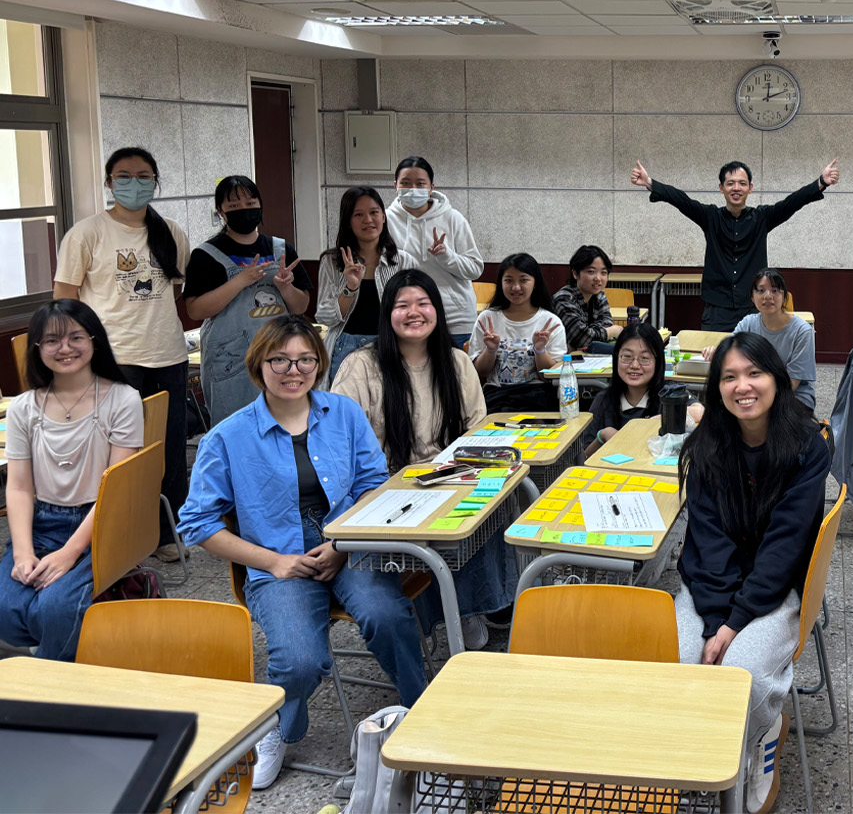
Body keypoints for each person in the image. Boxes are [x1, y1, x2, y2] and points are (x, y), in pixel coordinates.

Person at [177, 314, 426, 789]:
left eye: (306, 360)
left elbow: (374, 484)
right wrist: (274, 562)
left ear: (319, 363)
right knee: (299, 660)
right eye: (280, 360)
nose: (294, 371)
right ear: (258, 364)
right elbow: (197, 524)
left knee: (387, 615)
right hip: (277, 558)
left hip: (348, 543)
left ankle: (421, 707)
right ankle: (275, 727)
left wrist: (341, 545)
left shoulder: (343, 413)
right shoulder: (227, 437)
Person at [675, 333, 831, 814]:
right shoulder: (706, 445)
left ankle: (763, 733)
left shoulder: (807, 446)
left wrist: (734, 625)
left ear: (776, 380)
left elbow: (784, 547)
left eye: (754, 373)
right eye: (729, 377)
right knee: (679, 665)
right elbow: (709, 543)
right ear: (716, 388)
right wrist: (715, 622)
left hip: (775, 586)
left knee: (745, 675)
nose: (742, 386)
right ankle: (705, 749)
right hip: (710, 583)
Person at [332, 269, 507, 651]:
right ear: (387, 314)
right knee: (424, 530)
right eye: (402, 305)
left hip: (450, 478)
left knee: (498, 504)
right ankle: (434, 615)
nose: (414, 312)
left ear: (437, 311)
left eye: (423, 303)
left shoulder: (456, 362)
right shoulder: (361, 366)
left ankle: (467, 606)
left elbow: (477, 433)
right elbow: (339, 443)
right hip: (385, 490)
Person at [53, 146, 190, 563]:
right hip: (113, 359)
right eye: (124, 176)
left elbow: (174, 291)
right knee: (113, 453)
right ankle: (113, 535)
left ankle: (165, 534)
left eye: (144, 176)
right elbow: (65, 299)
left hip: (167, 354)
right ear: (109, 183)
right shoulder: (86, 233)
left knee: (168, 450)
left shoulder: (171, 231)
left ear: (156, 181)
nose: (134, 183)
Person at [0, 301, 143, 660]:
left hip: (102, 522)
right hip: (43, 522)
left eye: (76, 337)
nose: (65, 348)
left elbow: (114, 492)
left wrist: (69, 553)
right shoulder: (23, 407)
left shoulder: (122, 399)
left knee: (55, 610)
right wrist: (23, 553)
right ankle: (65, 645)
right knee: (6, 608)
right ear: (37, 348)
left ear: (94, 340)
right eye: (52, 340)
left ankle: (51, 683)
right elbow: (18, 487)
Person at [631, 158, 840, 331]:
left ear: (750, 188)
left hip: (753, 307)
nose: (736, 188)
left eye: (742, 183)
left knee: (752, 361)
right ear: (721, 188)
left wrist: (821, 182)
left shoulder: (762, 218)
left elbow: (792, 202)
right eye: (730, 183)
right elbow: (681, 200)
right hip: (716, 309)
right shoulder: (710, 217)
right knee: (715, 361)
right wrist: (650, 182)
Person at [184, 175, 312, 425]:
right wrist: (239, 281)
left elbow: (301, 307)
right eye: (234, 206)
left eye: (251, 203)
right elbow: (195, 310)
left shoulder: (281, 249)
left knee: (284, 426)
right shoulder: (206, 255)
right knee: (236, 430)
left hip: (281, 354)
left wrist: (285, 288)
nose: (244, 209)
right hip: (231, 361)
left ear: (260, 205)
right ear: (221, 212)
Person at [317, 186, 416, 383]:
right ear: (348, 221)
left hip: (389, 347)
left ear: (383, 217)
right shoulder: (332, 261)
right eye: (358, 214)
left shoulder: (404, 262)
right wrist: (350, 287)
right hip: (345, 348)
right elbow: (325, 317)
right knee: (344, 403)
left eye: (374, 212)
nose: (368, 220)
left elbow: (412, 312)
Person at [386, 156, 484, 347]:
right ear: (395, 186)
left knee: (458, 367)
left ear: (431, 187)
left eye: (420, 183)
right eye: (406, 183)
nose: (413, 189)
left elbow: (475, 269)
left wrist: (447, 256)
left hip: (454, 319)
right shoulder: (385, 221)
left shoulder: (453, 218)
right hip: (408, 319)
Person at [701, 269, 815, 412]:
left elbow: (792, 383)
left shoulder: (802, 331)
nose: (768, 296)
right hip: (755, 394)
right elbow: (730, 349)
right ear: (752, 297)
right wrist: (716, 352)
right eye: (761, 290)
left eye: (775, 290)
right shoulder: (748, 323)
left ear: (784, 296)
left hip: (792, 397)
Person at [468, 252, 566, 413]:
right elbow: (480, 372)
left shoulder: (550, 322)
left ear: (535, 283)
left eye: (523, 280)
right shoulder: (487, 319)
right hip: (497, 395)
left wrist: (540, 350)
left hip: (538, 395)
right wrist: (491, 350)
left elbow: (550, 377)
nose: (515, 287)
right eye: (508, 280)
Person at [583, 324, 703, 455]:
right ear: (617, 358)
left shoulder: (669, 393)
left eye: (644, 358)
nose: (635, 365)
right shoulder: (604, 400)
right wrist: (602, 436)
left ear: (658, 361)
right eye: (627, 356)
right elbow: (585, 456)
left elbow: (700, 411)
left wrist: (648, 424)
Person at [552, 244, 623, 354]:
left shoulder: (599, 295)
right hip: (559, 360)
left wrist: (590, 333)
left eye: (603, 273)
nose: (598, 278)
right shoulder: (564, 299)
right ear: (575, 273)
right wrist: (613, 331)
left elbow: (606, 325)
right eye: (591, 272)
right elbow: (583, 338)